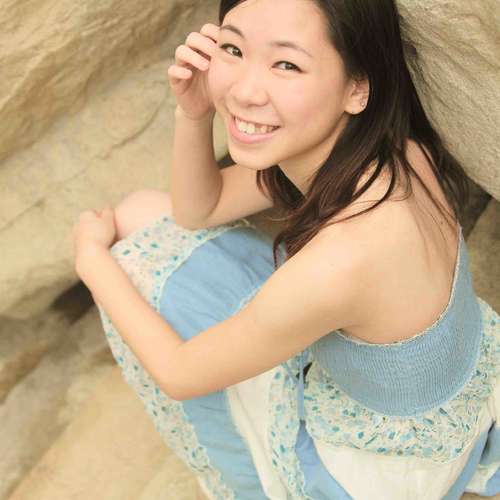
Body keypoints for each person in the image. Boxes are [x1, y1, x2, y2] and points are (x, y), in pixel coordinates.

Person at [72, 0, 500, 498]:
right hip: (438, 401)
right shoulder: (395, 151)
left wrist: (91, 261)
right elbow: (198, 210)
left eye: (286, 64)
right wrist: (193, 112)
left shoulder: (343, 259)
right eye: (234, 49)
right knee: (143, 211)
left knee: (128, 246)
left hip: (381, 474)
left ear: (357, 88)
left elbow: (180, 373)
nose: (245, 91)